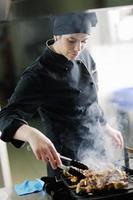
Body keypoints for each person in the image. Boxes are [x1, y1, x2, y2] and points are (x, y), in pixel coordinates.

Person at [0, 11, 124, 177]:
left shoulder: (85, 57)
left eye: (84, 41)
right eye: (71, 40)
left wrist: (105, 126)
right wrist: (31, 134)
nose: (78, 48)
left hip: (96, 151)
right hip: (66, 159)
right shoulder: (38, 74)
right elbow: (6, 116)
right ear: (57, 35)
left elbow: (90, 101)